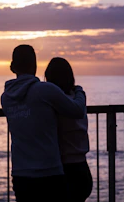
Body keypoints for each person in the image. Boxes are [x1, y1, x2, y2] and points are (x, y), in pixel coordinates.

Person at [1, 45, 87, 202]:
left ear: (12, 67)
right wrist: (79, 91)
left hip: (20, 173)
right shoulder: (45, 90)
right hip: (49, 172)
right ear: (35, 65)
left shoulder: (5, 98)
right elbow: (77, 110)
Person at [45, 57, 93, 202]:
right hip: (82, 169)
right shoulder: (78, 98)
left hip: (63, 170)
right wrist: (79, 89)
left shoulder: (53, 103)